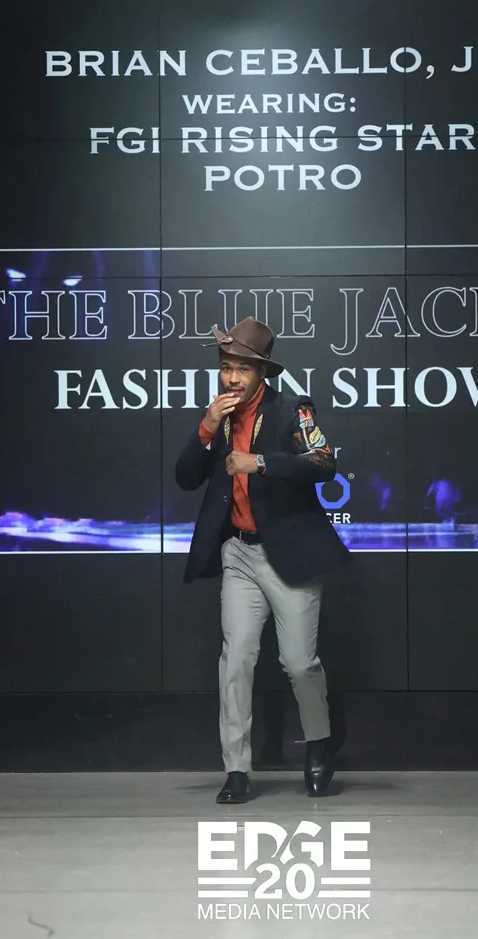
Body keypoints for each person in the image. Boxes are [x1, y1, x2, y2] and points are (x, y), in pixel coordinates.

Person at [175, 317, 350, 804]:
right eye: (226, 368)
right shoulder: (220, 417)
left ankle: (318, 743)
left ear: (261, 373)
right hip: (239, 553)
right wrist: (206, 427)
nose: (232, 378)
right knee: (236, 659)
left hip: (289, 553)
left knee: (299, 663)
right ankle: (236, 768)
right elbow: (185, 477)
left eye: (242, 370)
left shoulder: (293, 409)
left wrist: (262, 463)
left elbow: (324, 462)